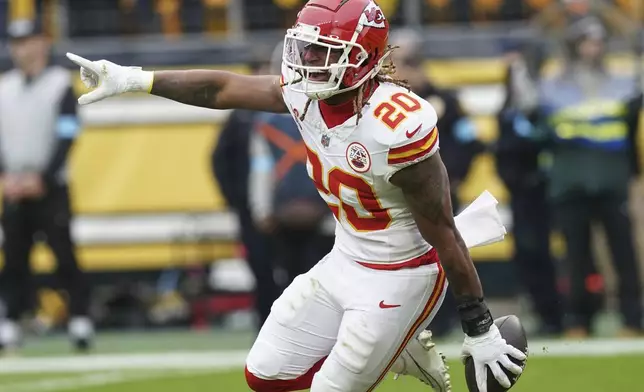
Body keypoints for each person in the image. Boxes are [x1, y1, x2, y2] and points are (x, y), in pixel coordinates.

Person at [66, 0, 526, 391]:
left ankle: (399, 336)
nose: (307, 61)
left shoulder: (395, 127)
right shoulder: (308, 94)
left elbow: (443, 231)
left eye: (323, 52)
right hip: (345, 258)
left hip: (402, 273)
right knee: (263, 375)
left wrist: (478, 323)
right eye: (305, 47)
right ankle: (400, 349)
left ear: (362, 59)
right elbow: (221, 88)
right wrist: (137, 80)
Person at [0, 18, 93, 353]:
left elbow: (68, 133)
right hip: (13, 185)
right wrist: (7, 177)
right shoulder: (4, 87)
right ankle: (10, 322)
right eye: (16, 42)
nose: (21, 48)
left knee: (64, 255)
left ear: (42, 43)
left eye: (28, 41)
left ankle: (80, 319)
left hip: (50, 186)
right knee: (13, 259)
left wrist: (44, 176)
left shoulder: (59, 84)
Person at [248, 42, 335, 288]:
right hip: (321, 210)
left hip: (288, 211)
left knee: (294, 281)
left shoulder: (265, 121)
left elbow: (261, 168)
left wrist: (261, 209)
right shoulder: (327, 112)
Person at [212, 58, 280, 331]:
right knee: (262, 272)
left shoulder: (284, 111)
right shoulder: (239, 116)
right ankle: (266, 328)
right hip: (253, 208)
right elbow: (219, 161)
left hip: (286, 209)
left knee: (295, 272)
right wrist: (237, 199)